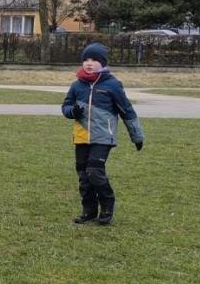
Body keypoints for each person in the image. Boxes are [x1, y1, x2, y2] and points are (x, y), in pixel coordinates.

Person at [61, 42, 145, 226]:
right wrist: (72, 111)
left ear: (103, 63)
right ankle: (89, 211)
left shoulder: (113, 85)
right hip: (82, 136)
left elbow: (127, 111)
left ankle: (107, 207)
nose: (89, 63)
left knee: (94, 172)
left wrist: (137, 136)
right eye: (86, 59)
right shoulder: (77, 85)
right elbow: (65, 106)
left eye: (94, 60)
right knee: (84, 175)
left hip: (103, 137)